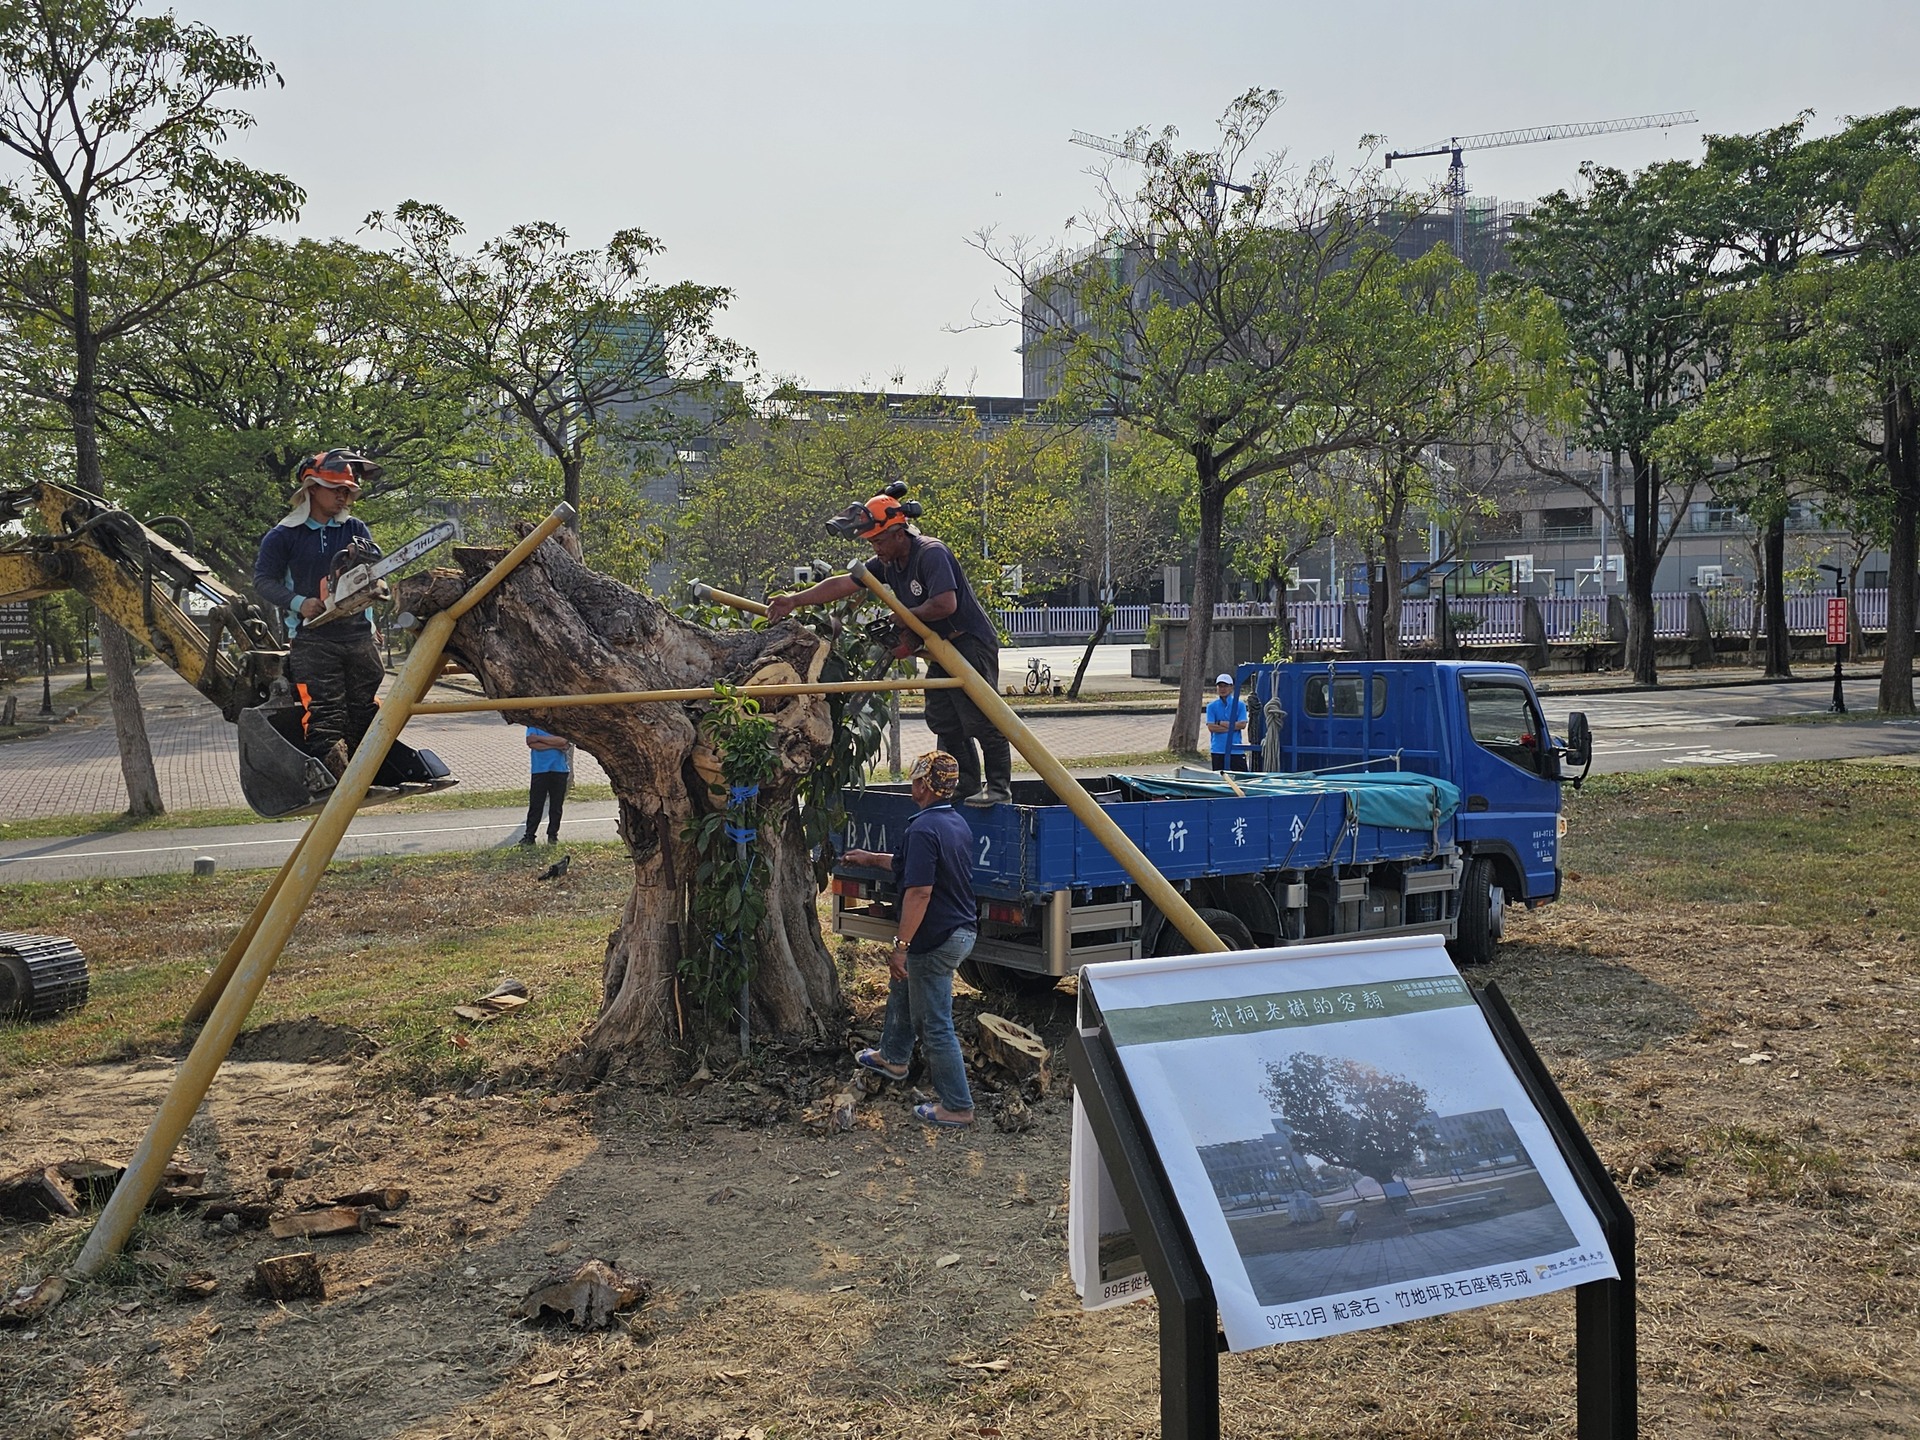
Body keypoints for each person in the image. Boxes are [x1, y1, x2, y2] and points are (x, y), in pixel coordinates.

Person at [766, 491, 1011, 807]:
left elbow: (945, 604)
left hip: (969, 642)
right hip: (941, 647)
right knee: (944, 719)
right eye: (871, 543)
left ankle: (999, 787)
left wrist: (903, 619)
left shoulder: (930, 553)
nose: (875, 548)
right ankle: (963, 786)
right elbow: (843, 583)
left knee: (980, 716)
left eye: (879, 540)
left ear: (899, 533)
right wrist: (795, 600)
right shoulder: (888, 562)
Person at [840, 750, 977, 1128]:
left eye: (916, 779)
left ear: (923, 785)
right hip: (959, 930)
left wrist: (900, 947)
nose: (912, 785)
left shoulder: (921, 830)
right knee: (902, 986)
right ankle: (894, 1057)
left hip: (936, 939)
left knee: (935, 1024)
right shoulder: (952, 823)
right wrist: (869, 859)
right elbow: (904, 864)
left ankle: (958, 1106)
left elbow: (919, 892)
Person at [253, 450, 386, 778]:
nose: (342, 496)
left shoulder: (355, 528)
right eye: (335, 489)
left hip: (356, 633)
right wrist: (300, 602)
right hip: (314, 638)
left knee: (365, 708)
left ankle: (367, 774)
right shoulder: (284, 535)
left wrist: (372, 614)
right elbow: (263, 580)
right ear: (312, 488)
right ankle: (327, 779)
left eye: (347, 491)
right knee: (325, 713)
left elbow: (370, 574)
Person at [521, 725, 571, 845]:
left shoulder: (558, 724)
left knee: (556, 806)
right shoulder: (534, 725)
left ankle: (553, 835)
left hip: (559, 769)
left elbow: (563, 741)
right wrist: (555, 745)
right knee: (536, 805)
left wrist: (539, 739)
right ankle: (529, 836)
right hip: (540, 770)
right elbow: (531, 743)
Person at [1206, 672, 1249, 772]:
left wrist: (1220, 723)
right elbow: (1211, 727)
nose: (1222, 689)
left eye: (1225, 686)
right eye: (1220, 686)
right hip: (1218, 749)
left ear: (1231, 687)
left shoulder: (1240, 705)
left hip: (1236, 749)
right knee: (1220, 780)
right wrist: (1233, 726)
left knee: (1242, 778)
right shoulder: (1211, 706)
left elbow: (1242, 725)